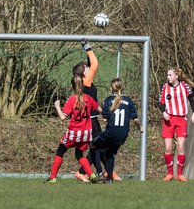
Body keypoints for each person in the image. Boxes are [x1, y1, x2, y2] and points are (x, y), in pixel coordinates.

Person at [72, 38, 122, 182]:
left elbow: (90, 64)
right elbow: (94, 63)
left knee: (98, 146)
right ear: (84, 74)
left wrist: (85, 49)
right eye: (86, 68)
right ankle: (99, 172)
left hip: (91, 120)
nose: (89, 68)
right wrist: (86, 46)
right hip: (90, 121)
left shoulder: (84, 82)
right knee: (99, 145)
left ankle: (103, 172)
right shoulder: (86, 82)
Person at [45, 75, 102, 183]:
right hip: (86, 133)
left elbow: (63, 117)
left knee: (60, 152)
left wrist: (57, 106)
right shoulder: (88, 98)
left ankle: (52, 178)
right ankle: (92, 175)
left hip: (74, 132)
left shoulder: (71, 100)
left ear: (72, 86)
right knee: (79, 154)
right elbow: (100, 109)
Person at [90, 78, 144, 183]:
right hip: (123, 134)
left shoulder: (108, 100)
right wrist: (140, 128)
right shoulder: (128, 101)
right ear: (122, 88)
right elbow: (135, 119)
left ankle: (99, 172)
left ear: (111, 88)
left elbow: (105, 118)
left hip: (111, 132)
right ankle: (109, 178)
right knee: (109, 153)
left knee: (93, 145)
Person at [158, 67, 194, 181]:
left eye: (170, 75)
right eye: (167, 75)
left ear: (176, 76)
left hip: (181, 119)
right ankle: (170, 174)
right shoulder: (164, 87)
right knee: (168, 148)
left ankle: (180, 174)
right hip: (169, 120)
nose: (168, 77)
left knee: (180, 147)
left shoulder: (184, 86)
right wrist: (164, 112)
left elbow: (192, 100)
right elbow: (161, 103)